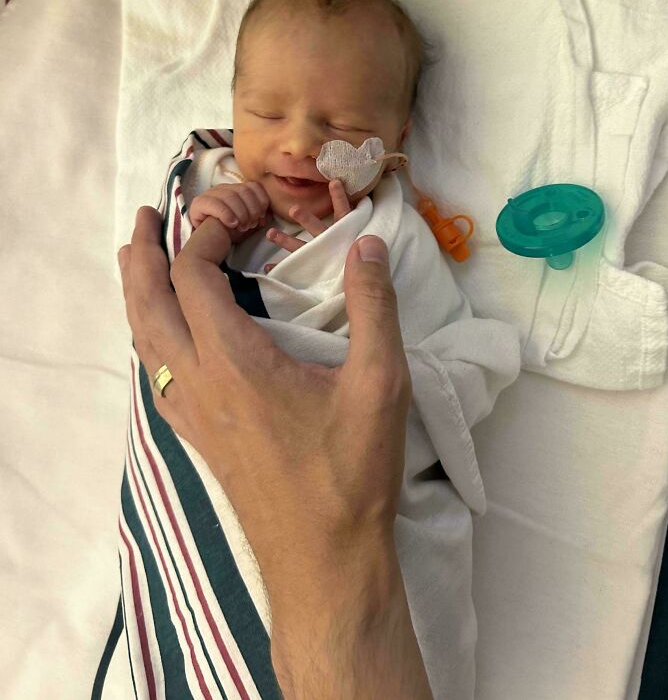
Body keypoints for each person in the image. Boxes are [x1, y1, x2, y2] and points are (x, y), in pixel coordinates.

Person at [117, 209, 433, 698]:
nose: (298, 143)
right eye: (268, 123)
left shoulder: (391, 225)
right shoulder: (207, 185)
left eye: (341, 127)